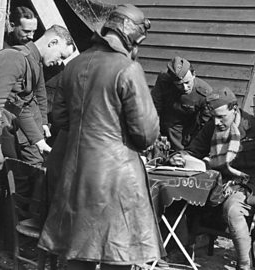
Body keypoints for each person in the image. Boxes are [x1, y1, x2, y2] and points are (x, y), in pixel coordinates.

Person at [38, 4, 164, 270]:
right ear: (132, 37)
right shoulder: (128, 69)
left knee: (77, 252)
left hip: (74, 176)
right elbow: (146, 134)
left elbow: (59, 120)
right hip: (116, 181)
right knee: (115, 255)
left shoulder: (73, 67)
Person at [0, 25, 75, 269]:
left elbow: (23, 106)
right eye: (61, 55)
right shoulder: (14, 58)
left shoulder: (32, 63)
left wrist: (40, 142)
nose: (59, 63)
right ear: (52, 43)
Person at [169, 87, 255, 270]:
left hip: (252, 184)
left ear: (234, 109)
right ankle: (181, 249)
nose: (217, 122)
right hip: (220, 182)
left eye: (222, 116)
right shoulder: (212, 127)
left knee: (233, 209)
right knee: (178, 194)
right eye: (213, 116)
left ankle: (245, 264)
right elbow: (194, 150)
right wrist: (181, 156)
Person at [151, 56, 213, 151]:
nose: (185, 87)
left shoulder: (205, 92)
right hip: (165, 126)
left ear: (194, 74)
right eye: (179, 84)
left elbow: (204, 125)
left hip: (188, 131)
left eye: (187, 82)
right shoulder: (164, 81)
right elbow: (154, 108)